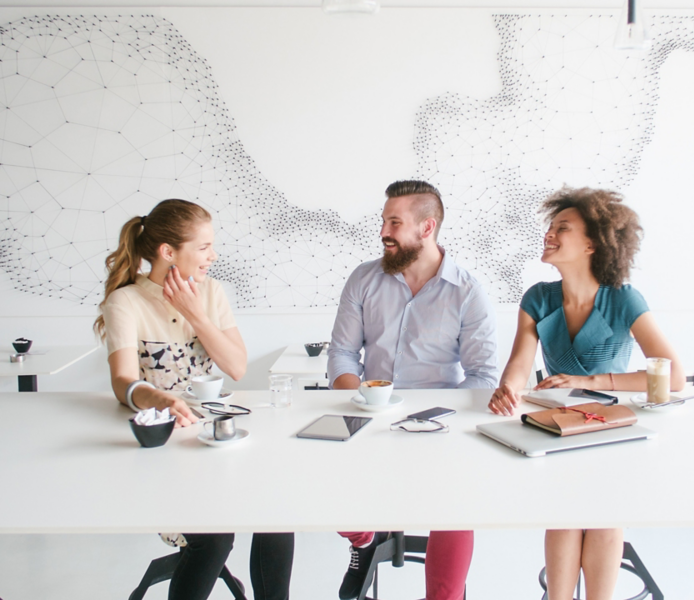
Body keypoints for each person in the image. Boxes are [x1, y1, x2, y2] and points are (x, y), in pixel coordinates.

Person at [488, 187, 684, 600]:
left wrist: (593, 383)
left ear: (592, 243)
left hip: (614, 430)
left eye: (563, 228)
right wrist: (508, 387)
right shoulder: (538, 298)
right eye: (551, 227)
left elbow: (673, 376)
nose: (550, 234)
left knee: (604, 515)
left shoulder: (624, 299)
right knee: (563, 515)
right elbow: (520, 364)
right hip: (561, 427)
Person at [94, 199, 293, 600]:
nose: (212, 256)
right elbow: (123, 381)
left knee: (277, 515)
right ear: (169, 253)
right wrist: (160, 398)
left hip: (219, 440)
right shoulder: (126, 302)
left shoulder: (211, 293)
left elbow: (236, 367)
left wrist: (195, 312)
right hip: (165, 451)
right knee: (214, 538)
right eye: (203, 247)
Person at [328, 180, 499, 600]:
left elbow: (482, 375)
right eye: (384, 220)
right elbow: (342, 355)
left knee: (455, 507)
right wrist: (364, 400)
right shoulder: (364, 279)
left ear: (427, 228)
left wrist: (442, 419)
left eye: (394, 222)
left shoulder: (468, 291)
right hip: (369, 413)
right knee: (318, 482)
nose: (384, 231)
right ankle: (365, 538)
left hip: (439, 424)